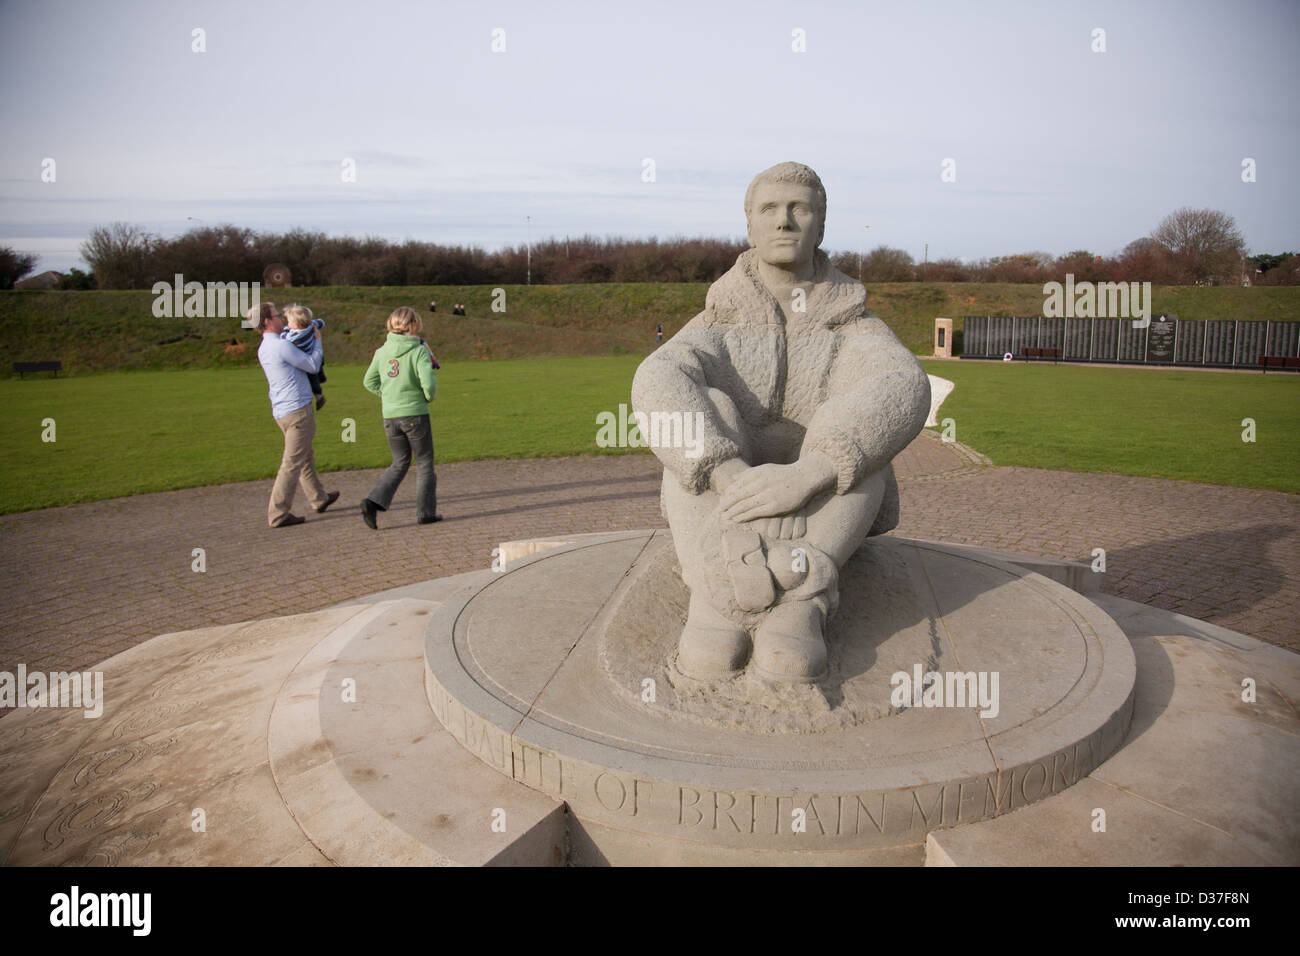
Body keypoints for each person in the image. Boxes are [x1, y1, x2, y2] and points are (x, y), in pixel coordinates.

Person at [631, 162, 929, 683]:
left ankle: (801, 599)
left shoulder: (853, 325)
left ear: (820, 224)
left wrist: (808, 473)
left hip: (820, 504)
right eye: (769, 209)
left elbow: (902, 384)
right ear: (750, 225)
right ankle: (718, 592)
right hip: (728, 497)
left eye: (800, 209)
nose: (784, 221)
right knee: (707, 414)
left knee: (853, 432)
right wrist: (731, 476)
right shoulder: (719, 320)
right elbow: (657, 377)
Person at [252, 301, 340, 528]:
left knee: (304, 457)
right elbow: (311, 364)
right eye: (275, 315)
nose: (280, 318)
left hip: (281, 410)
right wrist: (318, 342)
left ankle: (319, 498)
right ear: (266, 322)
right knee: (292, 463)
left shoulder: (264, 347)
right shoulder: (281, 346)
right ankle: (278, 513)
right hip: (297, 410)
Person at [359, 306, 441, 528]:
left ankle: (372, 501)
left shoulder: (381, 352)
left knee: (400, 461)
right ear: (414, 324)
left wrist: (389, 396)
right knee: (424, 462)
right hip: (415, 413)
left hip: (390, 415)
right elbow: (429, 384)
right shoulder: (419, 351)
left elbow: (369, 382)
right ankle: (425, 513)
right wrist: (426, 397)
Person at [280, 304, 327, 410]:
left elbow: (284, 339)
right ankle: (321, 379)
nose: (287, 324)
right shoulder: (311, 325)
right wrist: (319, 322)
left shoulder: (295, 337)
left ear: (296, 324)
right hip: (316, 354)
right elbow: (321, 322)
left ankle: (318, 394)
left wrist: (285, 329)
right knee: (318, 367)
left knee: (311, 376)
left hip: (306, 358)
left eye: (289, 322)